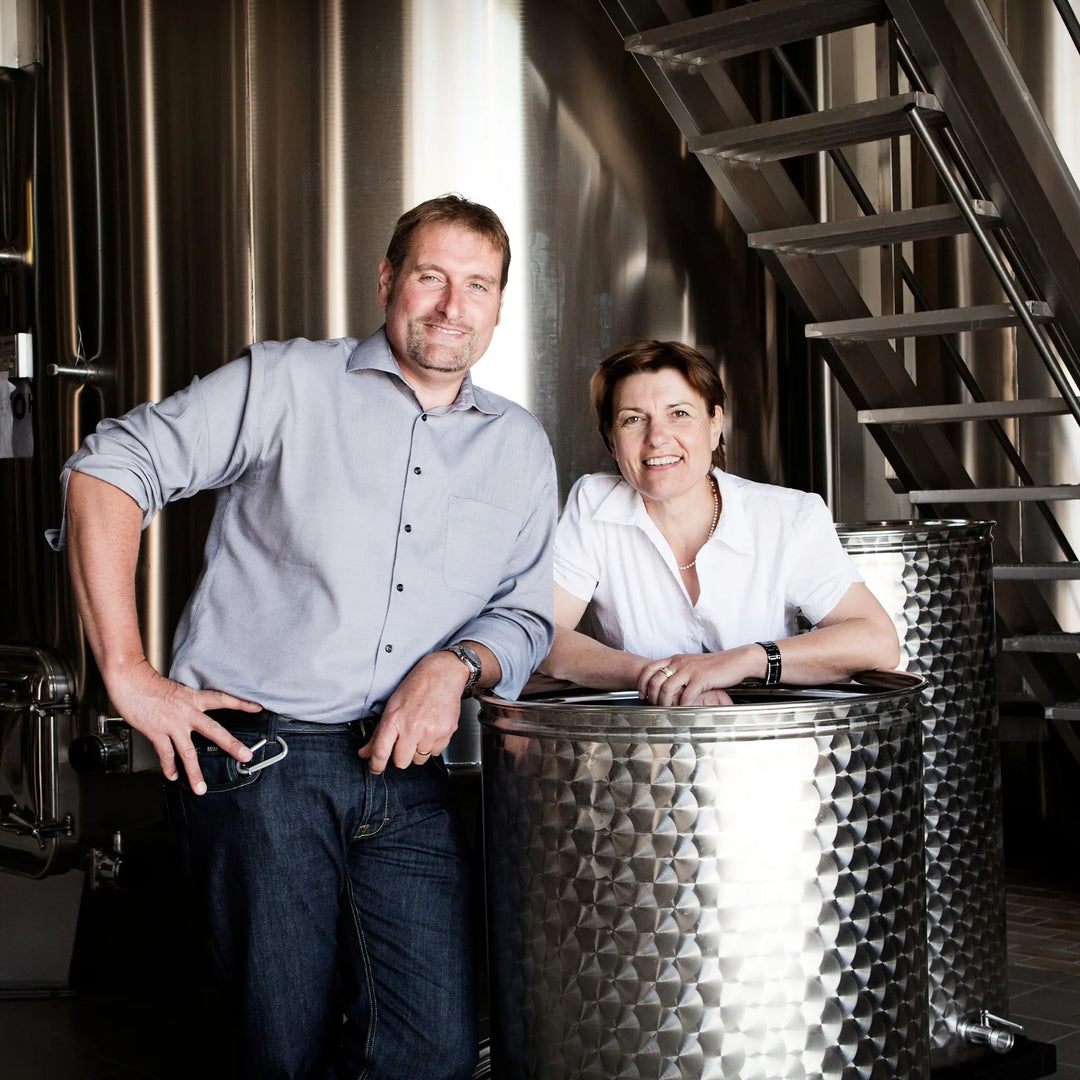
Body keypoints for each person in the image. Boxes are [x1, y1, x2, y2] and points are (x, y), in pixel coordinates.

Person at [50, 195, 558, 1080]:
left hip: (410, 779)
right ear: (387, 282)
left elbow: (524, 612)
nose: (451, 305)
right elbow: (108, 469)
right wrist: (126, 672)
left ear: (501, 305)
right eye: (430, 277)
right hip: (261, 766)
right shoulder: (287, 382)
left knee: (433, 1051)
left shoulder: (518, 445)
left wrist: (455, 665)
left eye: (477, 285)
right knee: (278, 1050)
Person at [539, 338, 899, 703]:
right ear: (612, 442)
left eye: (679, 413)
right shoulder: (594, 504)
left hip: (764, 742)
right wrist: (663, 679)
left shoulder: (788, 516)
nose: (657, 437)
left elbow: (877, 640)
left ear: (715, 425)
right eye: (633, 419)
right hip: (643, 748)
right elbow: (540, 634)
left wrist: (747, 660)